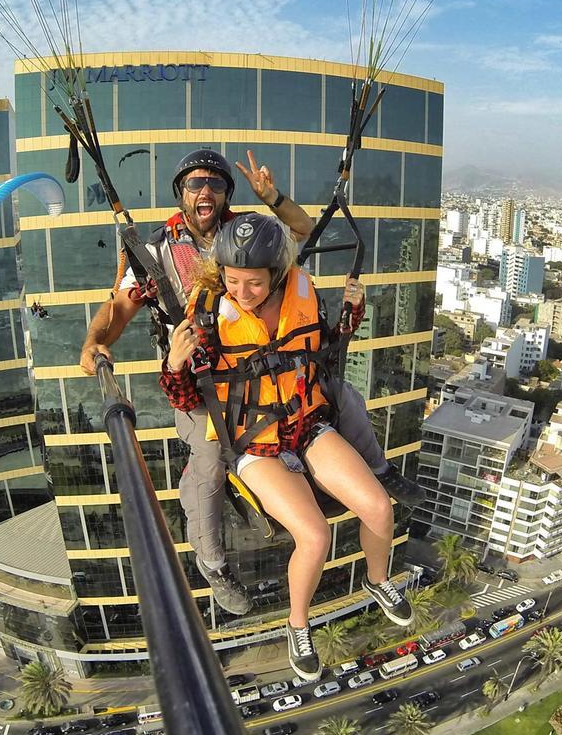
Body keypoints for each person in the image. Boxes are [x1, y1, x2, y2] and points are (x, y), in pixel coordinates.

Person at [79, 150, 424, 617]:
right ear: (180, 193)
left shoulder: (251, 230)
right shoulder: (158, 249)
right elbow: (119, 307)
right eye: (195, 183)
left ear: (226, 195)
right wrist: (96, 342)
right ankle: (213, 561)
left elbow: (302, 231)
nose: (206, 192)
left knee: (340, 396)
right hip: (202, 377)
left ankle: (377, 476)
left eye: (216, 184)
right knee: (208, 458)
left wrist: (274, 197)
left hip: (270, 369)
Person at [160, 213, 413, 681]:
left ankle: (378, 581)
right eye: (233, 281)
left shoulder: (302, 293)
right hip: (254, 444)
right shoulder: (211, 317)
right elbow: (188, 398)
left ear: (276, 275)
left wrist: (350, 313)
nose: (242, 292)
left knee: (379, 507)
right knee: (314, 536)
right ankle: (299, 625)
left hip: (306, 425)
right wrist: (175, 363)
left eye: (253, 283)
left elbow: (324, 351)